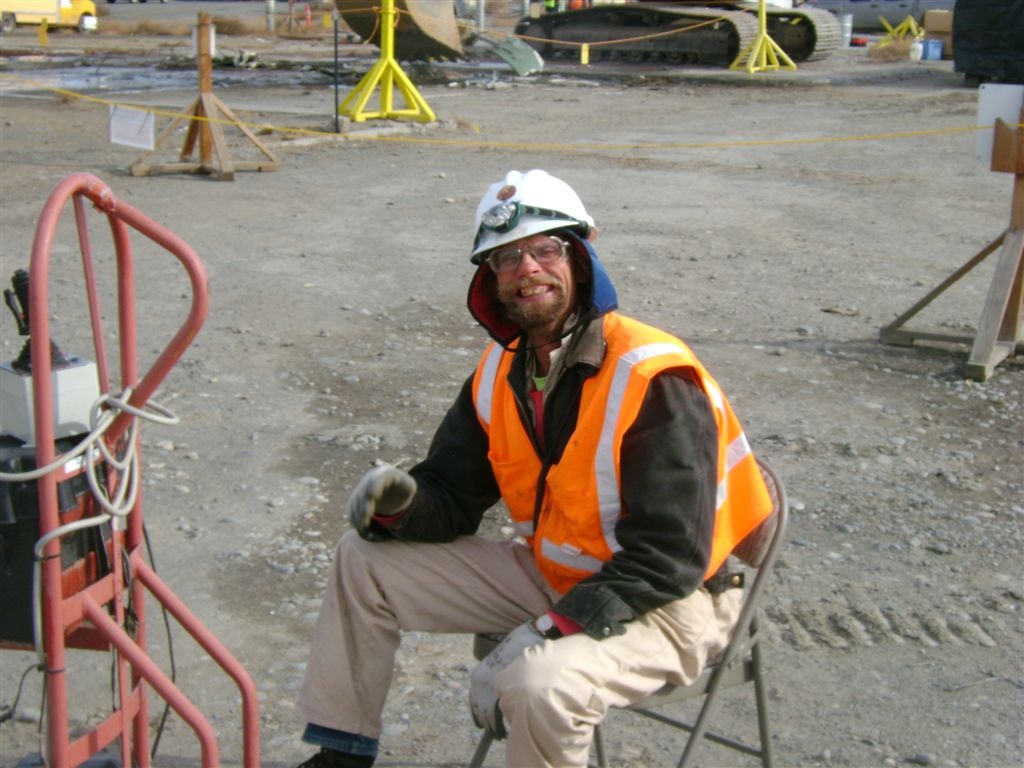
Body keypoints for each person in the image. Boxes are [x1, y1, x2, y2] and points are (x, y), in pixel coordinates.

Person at [295, 169, 773, 768]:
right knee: (362, 559)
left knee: (540, 684)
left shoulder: (652, 375)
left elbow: (670, 556)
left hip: (670, 602)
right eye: (506, 258)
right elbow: (452, 496)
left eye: (545, 250)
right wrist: (399, 505)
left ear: (580, 257)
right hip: (555, 573)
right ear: (490, 281)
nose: (526, 269)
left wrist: (552, 629)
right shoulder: (501, 371)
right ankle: (342, 753)